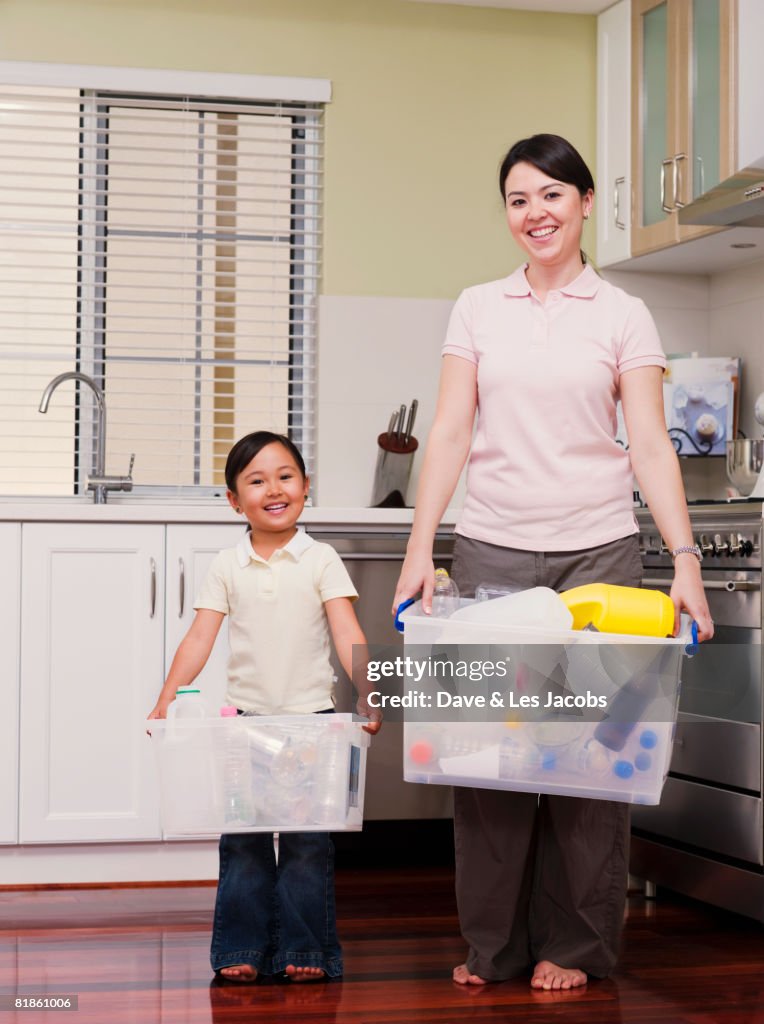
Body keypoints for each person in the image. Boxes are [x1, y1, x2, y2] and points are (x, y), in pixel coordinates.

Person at [392, 134, 713, 992]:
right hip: (492, 547)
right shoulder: (477, 306)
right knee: (488, 760)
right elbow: (452, 430)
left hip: (601, 555)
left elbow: (648, 441)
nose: (533, 214)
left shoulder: (622, 313)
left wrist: (682, 556)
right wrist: (422, 547)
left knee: (592, 760)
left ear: (582, 204)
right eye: (516, 199)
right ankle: (491, 947)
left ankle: (572, 949)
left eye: (550, 196)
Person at [148, 430, 381, 984]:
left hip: (313, 726)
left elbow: (347, 630)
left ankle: (306, 949)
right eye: (256, 480)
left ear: (304, 487)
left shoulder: (320, 558)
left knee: (306, 844)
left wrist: (370, 691)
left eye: (285, 476)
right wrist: (164, 700)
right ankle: (240, 948)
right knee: (245, 843)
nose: (273, 489)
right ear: (234, 500)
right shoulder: (227, 566)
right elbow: (200, 638)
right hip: (245, 727)